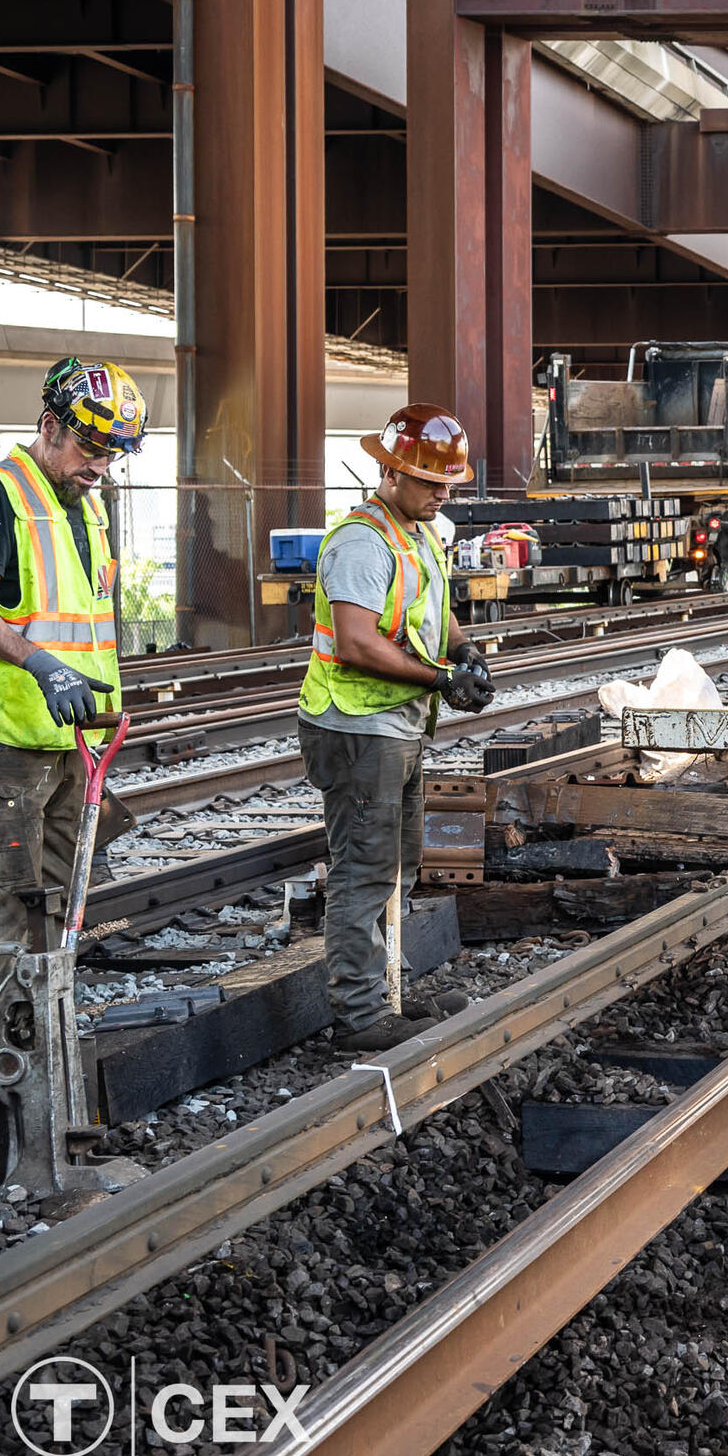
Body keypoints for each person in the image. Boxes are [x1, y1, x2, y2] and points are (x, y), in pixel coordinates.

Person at [0, 359, 148, 1060]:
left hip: (73, 739)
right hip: (5, 740)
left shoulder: (86, 503)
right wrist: (37, 663)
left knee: (61, 896)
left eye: (111, 452)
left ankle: (34, 1030)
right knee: (5, 902)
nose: (100, 464)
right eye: (91, 446)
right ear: (50, 426)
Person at [298, 405, 493, 1054]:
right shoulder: (362, 541)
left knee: (397, 869)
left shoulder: (416, 533)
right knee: (365, 871)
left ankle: (390, 994)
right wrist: (439, 679)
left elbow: (437, 612)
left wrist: (464, 652)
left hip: (394, 726)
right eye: (430, 481)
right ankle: (359, 1018)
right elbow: (355, 642)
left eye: (448, 482)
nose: (444, 492)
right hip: (357, 726)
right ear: (390, 471)